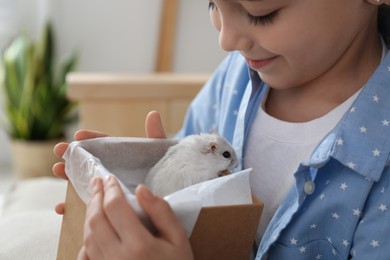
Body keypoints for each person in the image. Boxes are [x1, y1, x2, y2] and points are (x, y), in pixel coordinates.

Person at [53, 0, 390, 259]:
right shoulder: (235, 78)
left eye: (261, 12)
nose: (226, 40)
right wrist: (149, 192)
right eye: (212, 3)